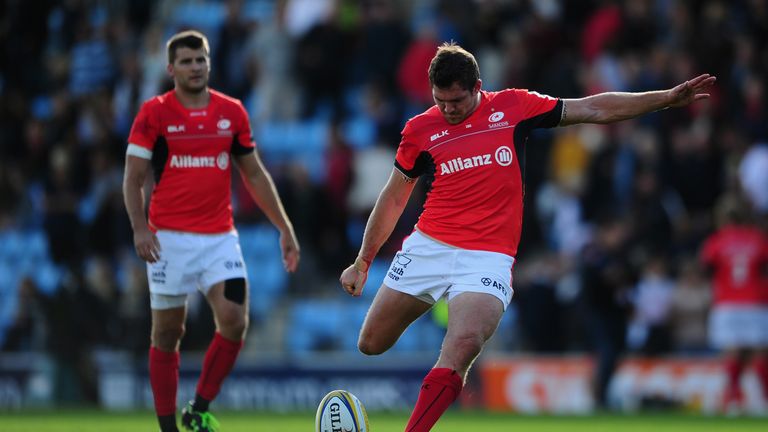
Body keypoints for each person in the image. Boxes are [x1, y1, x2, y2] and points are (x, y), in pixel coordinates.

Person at [339, 42, 715, 431]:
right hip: (429, 245)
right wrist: (363, 260)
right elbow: (394, 197)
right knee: (371, 343)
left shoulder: (514, 107)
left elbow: (592, 107)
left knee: (464, 343)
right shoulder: (420, 129)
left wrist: (664, 100)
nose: (448, 109)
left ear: (477, 87)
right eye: (440, 101)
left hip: (487, 257)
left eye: (456, 101)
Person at [123, 30, 300, 432]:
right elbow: (132, 178)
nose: (195, 67)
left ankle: (198, 408)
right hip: (167, 239)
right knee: (168, 332)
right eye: (186, 61)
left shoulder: (232, 112)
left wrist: (284, 228)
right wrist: (139, 229)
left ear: (209, 62)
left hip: (220, 237)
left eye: (200, 59)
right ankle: (168, 427)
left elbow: (253, 173)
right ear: (171, 69)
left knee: (235, 321)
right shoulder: (154, 113)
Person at [700, 195, 768, 414]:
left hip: (727, 303)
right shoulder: (758, 239)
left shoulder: (716, 241)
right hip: (756, 301)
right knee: (760, 353)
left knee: (732, 352)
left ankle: (732, 400)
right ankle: (765, 400)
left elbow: (706, 269)